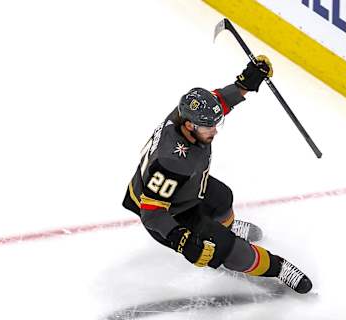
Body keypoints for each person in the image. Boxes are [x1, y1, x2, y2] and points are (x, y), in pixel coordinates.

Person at [122, 55, 312, 294]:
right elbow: (152, 214)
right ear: (190, 126)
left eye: (215, 124)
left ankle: (225, 229)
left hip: (185, 189)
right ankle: (277, 267)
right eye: (208, 127)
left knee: (222, 198)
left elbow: (219, 101)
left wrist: (246, 83)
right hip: (172, 213)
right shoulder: (172, 161)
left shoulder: (185, 115)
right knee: (231, 251)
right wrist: (182, 239)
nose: (214, 131)